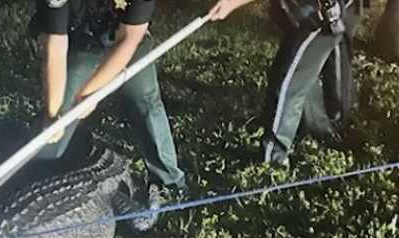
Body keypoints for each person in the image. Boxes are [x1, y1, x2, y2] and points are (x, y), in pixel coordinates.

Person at [30, 0, 188, 218]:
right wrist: (52, 113)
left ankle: (168, 181)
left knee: (145, 98)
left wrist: (91, 94)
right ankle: (39, 173)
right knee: (59, 114)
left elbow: (130, 38)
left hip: (124, 37)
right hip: (79, 38)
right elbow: (55, 47)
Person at [208, 0, 359, 167]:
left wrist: (232, 3)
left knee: (287, 85)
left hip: (319, 16)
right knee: (301, 73)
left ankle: (273, 160)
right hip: (314, 12)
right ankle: (322, 131)